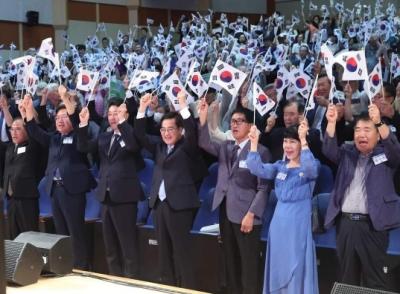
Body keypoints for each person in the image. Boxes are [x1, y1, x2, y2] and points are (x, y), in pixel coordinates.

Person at [323, 103, 400, 291]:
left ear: (377, 135)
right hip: (346, 225)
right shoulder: (347, 153)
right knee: (347, 279)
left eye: (367, 129)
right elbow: (328, 150)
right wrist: (331, 123)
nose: (361, 134)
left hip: (373, 226)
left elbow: (395, 150)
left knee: (375, 280)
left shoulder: (386, 155)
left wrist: (379, 122)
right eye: (357, 130)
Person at [198, 99, 270, 294]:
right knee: (230, 263)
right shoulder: (226, 147)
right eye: (232, 121)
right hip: (225, 210)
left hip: (247, 216)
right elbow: (204, 142)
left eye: (239, 121)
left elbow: (263, 189)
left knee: (248, 266)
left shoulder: (261, 152)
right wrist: (203, 119)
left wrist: (252, 214)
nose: (234, 124)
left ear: (251, 126)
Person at [23, 90, 96, 270]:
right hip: (55, 189)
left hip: (72, 190)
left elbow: (78, 124)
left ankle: (81, 266)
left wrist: (65, 99)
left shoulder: (79, 136)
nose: (60, 120)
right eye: (57, 117)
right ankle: (66, 265)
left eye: (64, 117)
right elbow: (33, 130)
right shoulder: (54, 139)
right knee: (61, 232)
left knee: (75, 231)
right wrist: (29, 109)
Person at [246, 120, 320, 294]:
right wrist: (254, 143)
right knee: (279, 264)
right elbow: (256, 168)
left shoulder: (312, 163)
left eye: (292, 141)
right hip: (279, 223)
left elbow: (311, 170)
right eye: (285, 141)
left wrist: (304, 140)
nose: (287, 146)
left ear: (300, 144)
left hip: (298, 222)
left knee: (297, 264)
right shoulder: (280, 166)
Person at [135, 92, 200, 289]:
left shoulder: (187, 147)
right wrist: (141, 109)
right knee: (163, 254)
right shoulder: (159, 148)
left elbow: (192, 131)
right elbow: (139, 135)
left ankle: (187, 290)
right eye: (163, 129)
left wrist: (182, 106)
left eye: (171, 129)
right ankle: (167, 288)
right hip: (159, 205)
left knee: (182, 254)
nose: (166, 133)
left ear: (180, 131)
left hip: (180, 206)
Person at [76, 100, 144, 278]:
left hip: (125, 196)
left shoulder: (132, 135)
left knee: (127, 244)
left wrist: (123, 124)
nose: (114, 117)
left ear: (126, 116)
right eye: (111, 113)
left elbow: (132, 146)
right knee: (110, 245)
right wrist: (83, 124)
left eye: (118, 113)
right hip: (105, 196)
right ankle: (115, 280)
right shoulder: (105, 136)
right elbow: (83, 147)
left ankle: (132, 282)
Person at [2, 117, 42, 239]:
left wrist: (26, 113)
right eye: (12, 129)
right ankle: (16, 259)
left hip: (26, 199)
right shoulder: (9, 148)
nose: (14, 132)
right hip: (11, 199)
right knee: (13, 236)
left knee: (29, 236)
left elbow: (36, 133)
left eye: (18, 129)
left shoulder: (32, 147)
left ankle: (33, 259)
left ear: (27, 131)